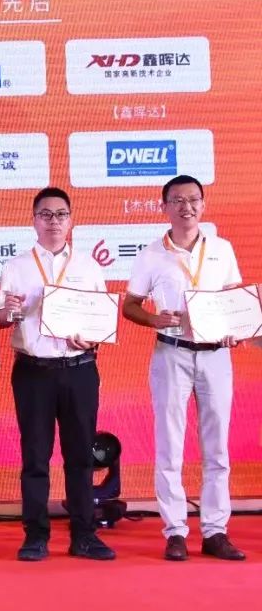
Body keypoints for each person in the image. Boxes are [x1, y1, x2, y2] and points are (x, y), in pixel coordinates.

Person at [123, 175, 246, 561]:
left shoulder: (222, 249)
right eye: (177, 200)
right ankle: (175, 531)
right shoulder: (150, 254)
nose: (186, 207)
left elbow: (234, 302)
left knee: (217, 447)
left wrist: (236, 329)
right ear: (164, 207)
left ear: (203, 205)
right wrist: (153, 320)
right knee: (169, 445)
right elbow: (130, 306)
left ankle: (215, 531)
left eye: (193, 199)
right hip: (171, 353)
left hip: (216, 356)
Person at [0, 187, 115, 561]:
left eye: (61, 214)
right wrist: (10, 312)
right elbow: (1, 319)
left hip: (79, 369)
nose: (53, 221)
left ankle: (84, 535)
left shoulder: (88, 266)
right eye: (45, 215)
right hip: (34, 372)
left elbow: (100, 321)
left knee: (80, 456)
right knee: (35, 457)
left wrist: (91, 338)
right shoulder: (16, 267)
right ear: (34, 220)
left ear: (71, 220)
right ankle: (35, 535)